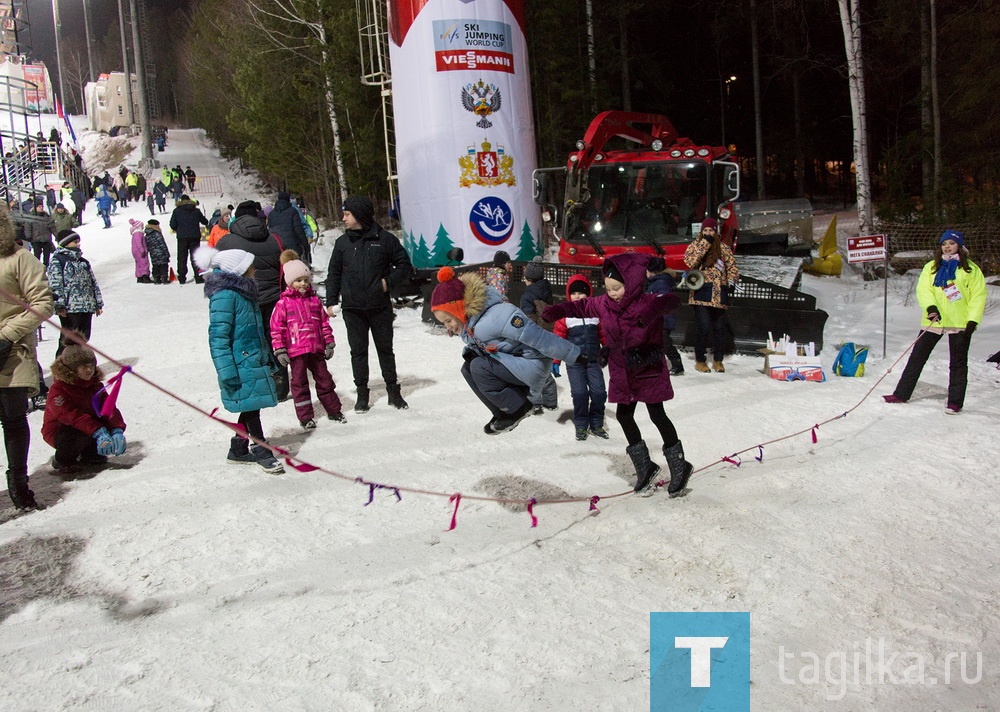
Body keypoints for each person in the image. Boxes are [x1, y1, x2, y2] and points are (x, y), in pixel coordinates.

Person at [542, 253, 692, 497]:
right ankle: (646, 467)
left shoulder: (646, 300)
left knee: (657, 414)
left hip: (647, 370)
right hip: (622, 371)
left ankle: (679, 465)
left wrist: (653, 310)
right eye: (609, 288)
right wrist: (557, 310)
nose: (612, 293)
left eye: (617, 288)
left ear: (631, 283)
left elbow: (672, 301)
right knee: (624, 415)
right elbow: (580, 306)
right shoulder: (604, 304)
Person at [431, 266, 582, 435]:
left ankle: (519, 408)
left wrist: (574, 355)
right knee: (467, 369)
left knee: (478, 367)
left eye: (448, 320)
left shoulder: (498, 315)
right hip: (513, 364)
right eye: (444, 323)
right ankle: (502, 413)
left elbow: (539, 337)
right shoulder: (471, 324)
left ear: (459, 310)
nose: (447, 327)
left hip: (532, 364)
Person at [195, 246, 284, 474]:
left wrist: (267, 357)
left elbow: (254, 331)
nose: (255, 269)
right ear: (239, 270)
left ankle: (238, 448)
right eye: (250, 265)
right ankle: (262, 450)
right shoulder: (225, 296)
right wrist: (226, 370)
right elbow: (218, 337)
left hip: (252, 359)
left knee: (251, 405)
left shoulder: (244, 292)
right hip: (238, 362)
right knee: (252, 406)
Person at [324, 196, 412, 413]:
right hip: (353, 309)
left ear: (359, 216)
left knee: (385, 350)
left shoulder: (385, 240)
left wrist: (387, 283)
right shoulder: (342, 243)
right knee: (358, 352)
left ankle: (394, 392)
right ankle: (362, 395)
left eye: (347, 214)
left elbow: (404, 266)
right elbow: (334, 273)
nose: (343, 218)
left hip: (379, 308)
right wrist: (331, 301)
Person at [883, 229, 986, 414]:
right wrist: (930, 308)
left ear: (960, 246)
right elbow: (924, 290)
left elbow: (978, 296)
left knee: (958, 363)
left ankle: (955, 402)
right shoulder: (932, 267)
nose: (947, 247)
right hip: (934, 320)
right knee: (917, 357)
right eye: (944, 244)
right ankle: (901, 393)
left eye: (951, 243)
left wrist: (972, 320)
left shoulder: (970, 269)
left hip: (960, 321)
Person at [0, 204, 54, 511]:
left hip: (11, 353)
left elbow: (42, 303)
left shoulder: (19, 259)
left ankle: (18, 482)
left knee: (13, 420)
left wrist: (6, 335)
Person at [216, 200, 288, 401]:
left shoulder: (226, 241)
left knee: (248, 341)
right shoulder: (274, 239)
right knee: (276, 338)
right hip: (273, 297)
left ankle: (259, 384)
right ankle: (281, 384)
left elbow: (216, 270)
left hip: (244, 298)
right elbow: (283, 267)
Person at [270, 251, 345, 429]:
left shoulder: (314, 301)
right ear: (290, 282)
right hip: (296, 352)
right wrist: (280, 349)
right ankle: (305, 417)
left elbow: (324, 323)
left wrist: (329, 342)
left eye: (305, 280)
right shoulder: (283, 304)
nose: (303, 284)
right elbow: (276, 329)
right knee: (299, 384)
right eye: (298, 280)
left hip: (316, 349)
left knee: (325, 380)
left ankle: (334, 410)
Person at [42, 345, 127, 474]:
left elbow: (108, 408)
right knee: (76, 437)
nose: (89, 370)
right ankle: (63, 460)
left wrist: (117, 429)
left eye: (91, 366)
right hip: (62, 430)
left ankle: (91, 455)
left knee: (101, 427)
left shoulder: (95, 386)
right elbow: (69, 415)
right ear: (71, 369)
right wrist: (98, 431)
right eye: (83, 367)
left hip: (90, 427)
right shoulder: (58, 389)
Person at [552, 274, 608, 441]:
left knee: (599, 392)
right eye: (574, 293)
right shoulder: (565, 316)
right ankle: (582, 424)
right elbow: (558, 340)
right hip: (575, 362)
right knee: (579, 393)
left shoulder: (595, 313)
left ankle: (596, 423)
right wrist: (555, 361)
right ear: (569, 294)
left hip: (593, 361)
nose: (577, 296)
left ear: (588, 294)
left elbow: (604, 335)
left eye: (581, 293)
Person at [683, 217, 738, 373]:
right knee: (703, 326)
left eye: (711, 231)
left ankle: (718, 360)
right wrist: (705, 244)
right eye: (705, 230)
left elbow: (732, 267)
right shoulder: (695, 246)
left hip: (719, 293)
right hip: (701, 292)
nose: (708, 233)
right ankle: (700, 360)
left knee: (719, 328)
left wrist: (732, 282)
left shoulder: (723, 248)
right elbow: (690, 262)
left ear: (716, 231)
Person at [47, 230, 104, 357]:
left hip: (86, 306)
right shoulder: (58, 260)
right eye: (75, 242)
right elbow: (55, 284)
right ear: (66, 243)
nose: (78, 244)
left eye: (79, 242)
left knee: (84, 336)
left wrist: (98, 303)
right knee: (69, 339)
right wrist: (59, 305)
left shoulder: (83, 261)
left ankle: (79, 364)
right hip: (70, 307)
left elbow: (93, 283)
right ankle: (62, 365)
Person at [520, 257, 557, 414]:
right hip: (548, 333)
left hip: (535, 336)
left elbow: (530, 320)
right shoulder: (546, 290)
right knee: (544, 366)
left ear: (528, 280)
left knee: (534, 369)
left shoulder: (527, 296)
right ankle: (551, 402)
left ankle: (536, 403)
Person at [646, 256, 685, 375]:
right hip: (656, 320)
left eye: (646, 270)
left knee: (665, 343)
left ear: (653, 271)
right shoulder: (656, 282)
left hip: (662, 320)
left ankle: (677, 365)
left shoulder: (661, 283)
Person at [169, 194, 209, 285]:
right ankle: (198, 277)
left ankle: (182, 277)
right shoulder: (196, 210)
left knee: (182, 257)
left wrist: (178, 229)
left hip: (182, 237)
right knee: (195, 256)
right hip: (195, 236)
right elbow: (205, 221)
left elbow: (172, 224)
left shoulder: (176, 211)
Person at [267, 191, 309, 262]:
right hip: (292, 246)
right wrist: (305, 244)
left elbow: (270, 231)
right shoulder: (293, 211)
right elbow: (299, 230)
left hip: (277, 245)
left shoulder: (271, 214)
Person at [130, 218, 151, 283]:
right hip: (139, 251)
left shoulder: (135, 234)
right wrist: (142, 250)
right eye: (142, 226)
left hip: (135, 251)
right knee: (144, 263)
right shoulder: (138, 233)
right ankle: (145, 276)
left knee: (138, 263)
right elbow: (139, 243)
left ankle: (139, 276)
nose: (143, 227)